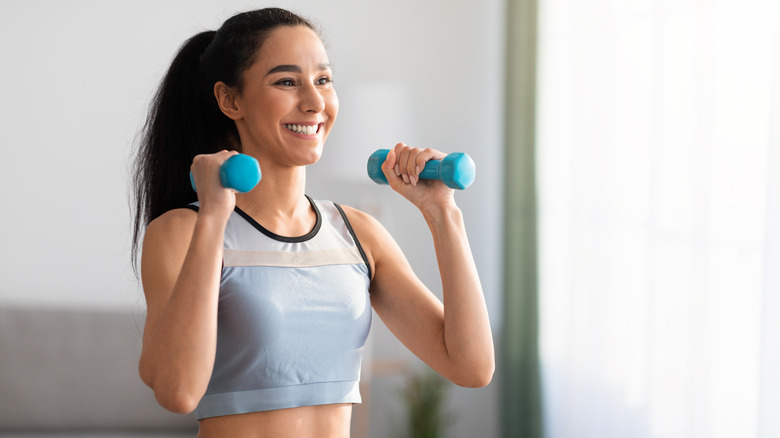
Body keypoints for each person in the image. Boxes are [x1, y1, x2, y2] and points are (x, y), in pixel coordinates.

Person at [131, 7, 494, 438]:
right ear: (230, 100)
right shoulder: (183, 232)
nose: (315, 102)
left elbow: (471, 366)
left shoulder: (357, 233)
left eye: (322, 79)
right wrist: (213, 216)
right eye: (287, 81)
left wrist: (443, 213)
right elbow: (177, 391)